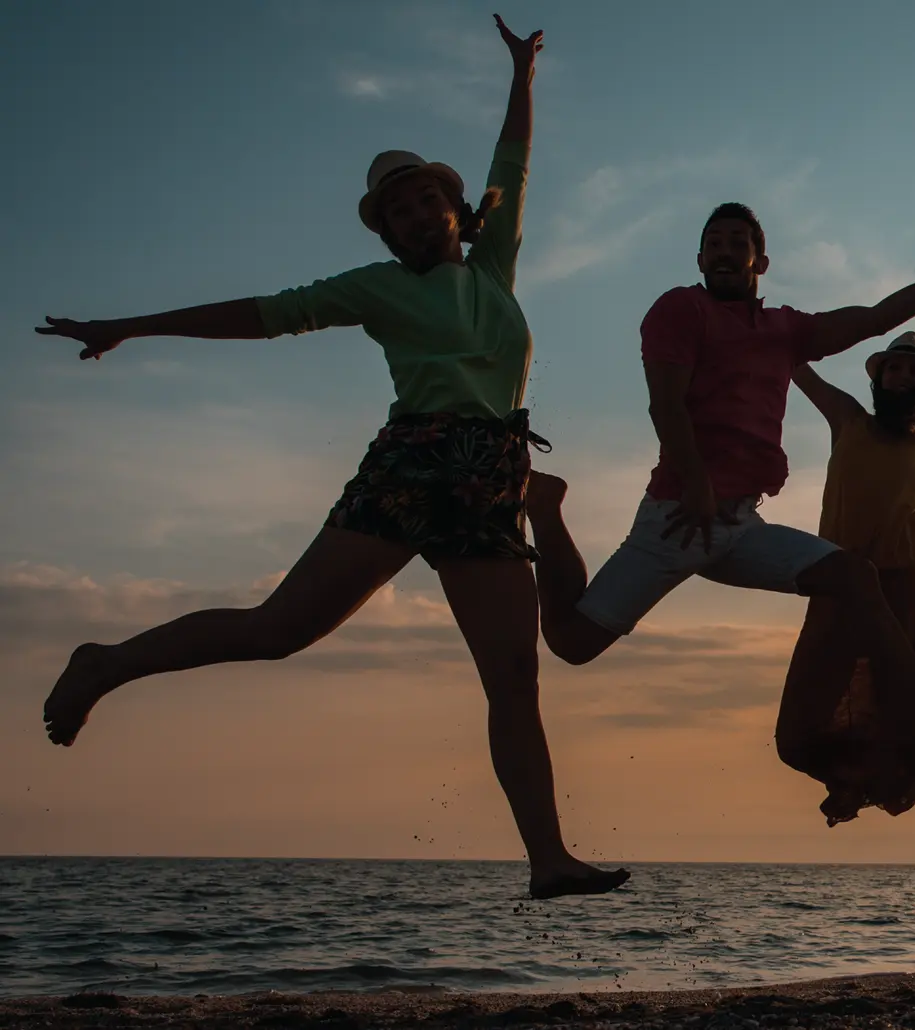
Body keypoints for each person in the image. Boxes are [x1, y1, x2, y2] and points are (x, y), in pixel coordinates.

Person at [32, 18, 626, 900]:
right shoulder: (373, 288)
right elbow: (258, 314)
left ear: (453, 210)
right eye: (398, 209)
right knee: (279, 632)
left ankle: (548, 860)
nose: (417, 214)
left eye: (427, 199)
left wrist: (522, 71)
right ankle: (105, 664)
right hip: (410, 467)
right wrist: (130, 326)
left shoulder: (493, 267)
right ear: (385, 232)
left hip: (489, 479)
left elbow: (514, 159)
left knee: (513, 674)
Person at [524, 208, 915, 746]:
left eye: (738, 242)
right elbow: (665, 406)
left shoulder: (785, 331)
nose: (724, 250)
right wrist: (695, 482)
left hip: (739, 523)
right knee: (572, 643)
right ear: (700, 258)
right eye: (713, 242)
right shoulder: (680, 309)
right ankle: (546, 510)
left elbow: (875, 318)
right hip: (682, 515)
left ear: (760, 260)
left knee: (854, 575)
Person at [778, 331, 915, 825]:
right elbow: (795, 363)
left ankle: (856, 788)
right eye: (893, 369)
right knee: (800, 730)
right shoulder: (848, 420)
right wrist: (761, 316)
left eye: (913, 372)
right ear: (879, 378)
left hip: (901, 591)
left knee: (906, 721)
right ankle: (846, 781)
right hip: (838, 585)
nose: (902, 376)